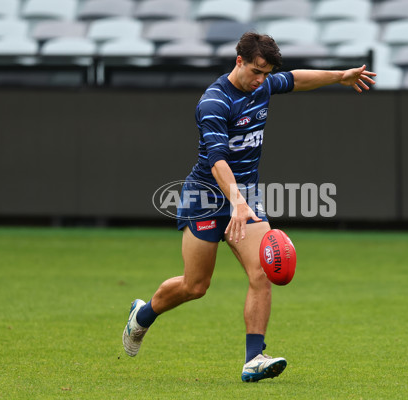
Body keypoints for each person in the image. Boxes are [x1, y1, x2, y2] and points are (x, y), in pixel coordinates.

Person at [122, 32, 376, 382]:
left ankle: (254, 358)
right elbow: (217, 160)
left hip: (246, 197)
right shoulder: (214, 102)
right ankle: (144, 314)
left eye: (266, 73)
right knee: (196, 286)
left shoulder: (263, 85)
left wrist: (340, 76)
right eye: (257, 71)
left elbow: (297, 79)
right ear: (238, 61)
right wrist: (236, 202)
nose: (261, 80)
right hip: (206, 198)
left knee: (263, 271)